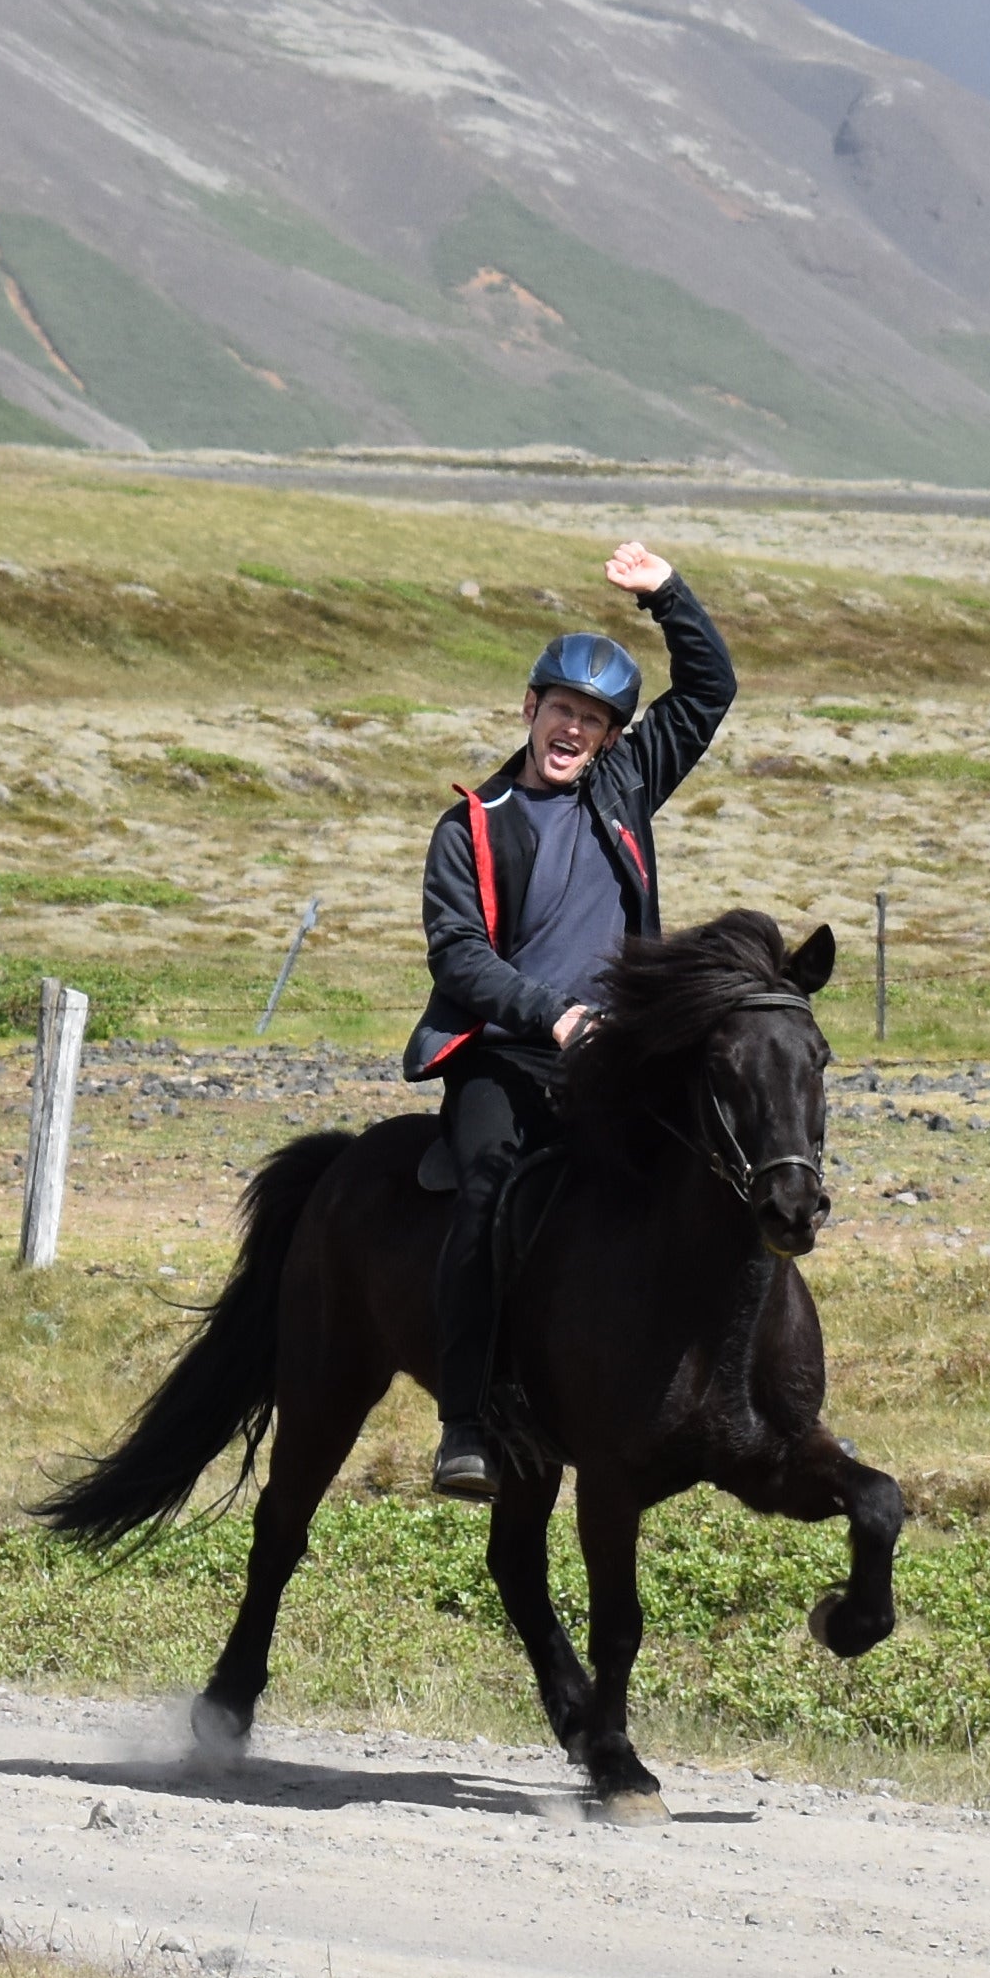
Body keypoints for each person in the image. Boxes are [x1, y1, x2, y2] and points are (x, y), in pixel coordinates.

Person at [402, 537, 732, 1499]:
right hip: (504, 1058)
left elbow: (711, 690)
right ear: (529, 710)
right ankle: (465, 1423)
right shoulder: (472, 823)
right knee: (484, 1201)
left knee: (717, 1170)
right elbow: (460, 958)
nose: (572, 732)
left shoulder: (627, 787)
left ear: (613, 737)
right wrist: (552, 1017)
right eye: (561, 711)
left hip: (615, 1059)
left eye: (592, 721)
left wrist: (666, 594)